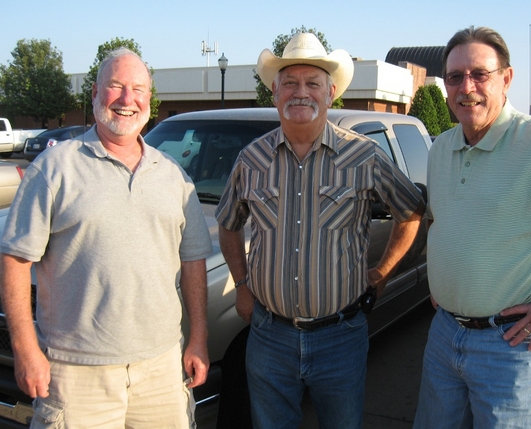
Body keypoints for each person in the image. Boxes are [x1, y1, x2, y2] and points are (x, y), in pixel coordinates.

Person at [216, 32, 425, 429]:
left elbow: (411, 212)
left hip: (340, 338)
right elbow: (228, 225)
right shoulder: (251, 159)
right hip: (268, 337)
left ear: (330, 94)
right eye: (290, 83)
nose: (301, 92)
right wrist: (241, 283)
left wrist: (380, 273)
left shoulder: (363, 156)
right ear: (275, 92)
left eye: (312, 83)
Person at [0, 47, 213, 428]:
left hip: (161, 371)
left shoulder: (174, 176)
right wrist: (25, 347)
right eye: (115, 86)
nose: (127, 99)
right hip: (75, 374)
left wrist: (197, 337)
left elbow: (193, 260)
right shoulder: (54, 168)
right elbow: (16, 260)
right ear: (96, 93)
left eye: (138, 89)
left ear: (150, 99)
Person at [414, 26, 531, 428]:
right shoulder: (442, 147)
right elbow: (440, 220)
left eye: (480, 73)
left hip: (515, 349)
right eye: (455, 76)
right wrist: (448, 284)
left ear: (506, 79)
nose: (467, 87)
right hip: (445, 336)